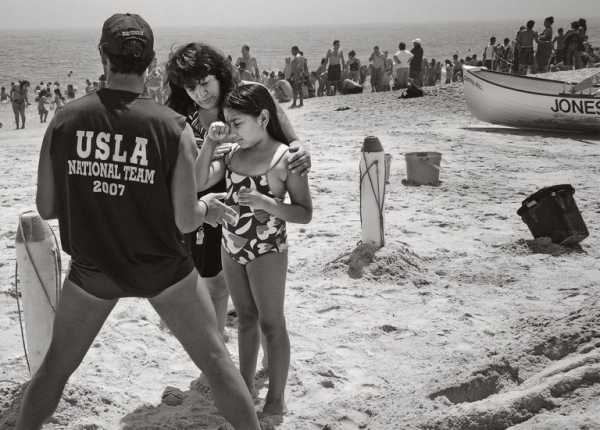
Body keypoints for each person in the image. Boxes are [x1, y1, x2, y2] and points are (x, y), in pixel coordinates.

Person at [16, 14, 261, 430]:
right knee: (218, 364)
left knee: (55, 370)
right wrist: (210, 210)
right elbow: (186, 220)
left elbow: (47, 207)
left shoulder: (65, 118)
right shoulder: (171, 126)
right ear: (149, 63)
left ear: (102, 57)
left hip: (94, 269)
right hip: (162, 268)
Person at [164, 42, 310, 364]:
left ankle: (272, 360)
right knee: (214, 285)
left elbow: (287, 135)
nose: (201, 93)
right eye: (191, 87)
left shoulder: (248, 95)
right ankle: (218, 361)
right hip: (207, 204)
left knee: (262, 297)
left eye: (205, 83)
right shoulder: (181, 116)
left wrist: (300, 151)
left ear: (218, 74)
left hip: (252, 202)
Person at [195, 83, 312, 416]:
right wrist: (209, 143)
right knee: (245, 319)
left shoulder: (285, 158)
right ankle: (245, 390)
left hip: (267, 249)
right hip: (230, 246)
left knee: (272, 324)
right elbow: (199, 180)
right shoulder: (232, 153)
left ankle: (275, 400)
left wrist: (268, 204)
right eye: (228, 123)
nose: (233, 130)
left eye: (238, 123)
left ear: (263, 117)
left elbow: (304, 212)